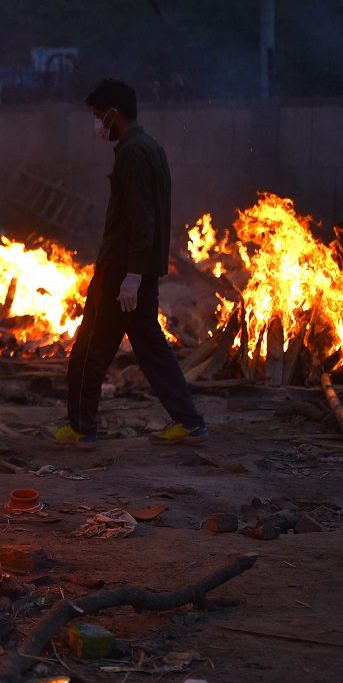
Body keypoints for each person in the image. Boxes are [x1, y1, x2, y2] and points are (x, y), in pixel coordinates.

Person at [48, 78, 207, 447]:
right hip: (140, 268)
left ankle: (80, 427)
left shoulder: (133, 153)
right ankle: (188, 421)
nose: (96, 123)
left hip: (123, 270)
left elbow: (142, 217)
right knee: (150, 344)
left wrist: (130, 276)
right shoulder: (149, 147)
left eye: (96, 115)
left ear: (112, 113)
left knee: (90, 347)